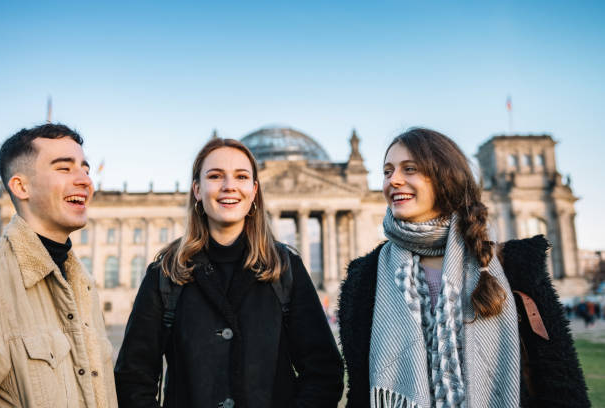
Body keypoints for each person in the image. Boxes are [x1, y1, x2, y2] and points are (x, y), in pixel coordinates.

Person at [338, 128, 588, 407]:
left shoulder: (516, 264)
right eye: (387, 172)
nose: (393, 180)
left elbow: (560, 382)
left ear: (446, 177)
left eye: (409, 169)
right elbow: (360, 390)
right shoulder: (364, 277)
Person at [114, 138, 343, 407]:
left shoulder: (285, 268)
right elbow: (133, 379)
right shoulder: (165, 273)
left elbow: (323, 372)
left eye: (241, 176)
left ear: (254, 190)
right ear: (197, 190)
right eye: (215, 176)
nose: (229, 186)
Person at [0, 124, 117, 407]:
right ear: (21, 186)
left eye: (85, 169)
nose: (85, 180)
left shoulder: (84, 283)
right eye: (64, 168)